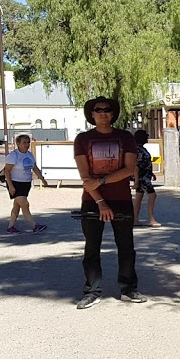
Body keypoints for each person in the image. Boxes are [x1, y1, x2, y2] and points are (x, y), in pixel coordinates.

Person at [73, 96, 145, 309]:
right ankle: (92, 291)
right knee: (92, 248)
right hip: (92, 200)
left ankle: (128, 289)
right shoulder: (83, 140)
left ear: (113, 114)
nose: (103, 113)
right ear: (92, 114)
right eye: (98, 110)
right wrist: (101, 202)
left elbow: (129, 169)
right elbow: (85, 178)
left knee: (126, 247)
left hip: (121, 198)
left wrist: (102, 180)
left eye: (107, 109)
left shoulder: (125, 137)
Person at [2, 133, 48, 234]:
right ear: (18, 143)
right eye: (24, 142)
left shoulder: (29, 155)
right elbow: (7, 171)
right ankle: (34, 225)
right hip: (15, 183)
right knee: (25, 204)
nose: (26, 145)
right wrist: (10, 185)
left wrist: (42, 178)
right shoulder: (13, 156)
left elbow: (34, 167)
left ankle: (11, 227)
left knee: (17, 205)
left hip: (25, 183)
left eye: (28, 142)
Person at [132, 129, 161, 227]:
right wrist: (136, 181)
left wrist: (151, 173)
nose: (147, 138)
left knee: (139, 198)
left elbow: (144, 164)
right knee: (152, 196)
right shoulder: (139, 150)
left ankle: (135, 219)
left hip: (145, 176)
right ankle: (151, 219)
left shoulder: (138, 149)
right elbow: (136, 166)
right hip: (142, 178)